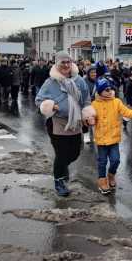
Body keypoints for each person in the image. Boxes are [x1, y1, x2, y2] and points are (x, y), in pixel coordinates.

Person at [35, 51, 91, 197]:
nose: (66, 65)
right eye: (63, 62)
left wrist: (87, 113)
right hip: (57, 124)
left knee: (75, 153)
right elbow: (39, 100)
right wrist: (51, 106)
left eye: (68, 62)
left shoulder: (79, 81)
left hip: (75, 122)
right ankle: (59, 181)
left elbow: (86, 99)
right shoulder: (50, 82)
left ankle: (62, 168)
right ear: (57, 64)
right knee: (61, 154)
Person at [83, 78, 132, 195]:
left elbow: (127, 112)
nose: (109, 91)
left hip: (114, 138)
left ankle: (111, 175)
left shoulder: (117, 102)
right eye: (106, 89)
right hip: (101, 140)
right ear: (100, 91)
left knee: (115, 160)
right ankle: (102, 181)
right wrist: (89, 121)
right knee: (102, 162)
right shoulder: (94, 104)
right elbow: (88, 119)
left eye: (110, 89)